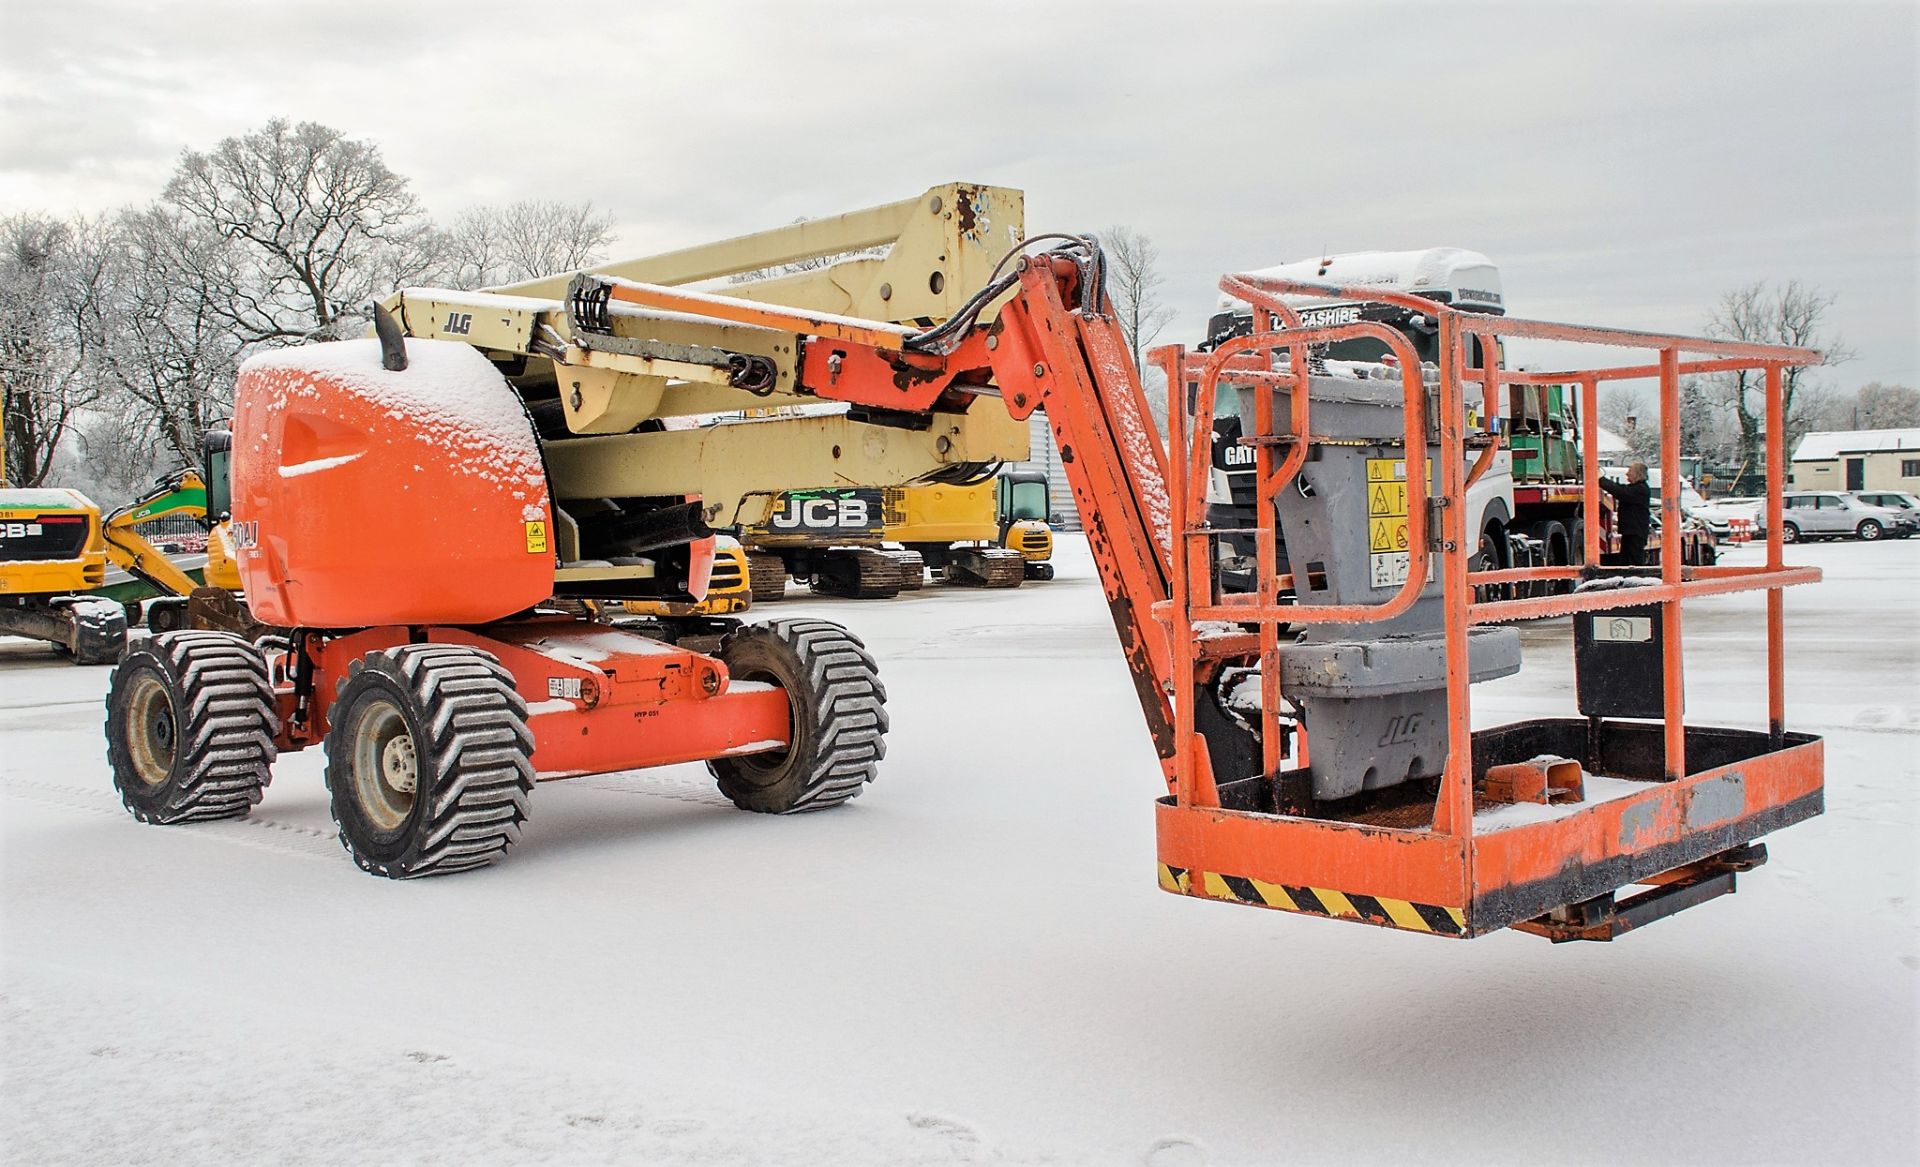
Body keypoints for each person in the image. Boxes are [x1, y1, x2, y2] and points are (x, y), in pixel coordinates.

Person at [1600, 461, 1652, 566]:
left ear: (1638, 474)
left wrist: (1601, 480)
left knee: (1632, 561)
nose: (1627, 474)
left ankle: (1634, 579)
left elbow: (1620, 492)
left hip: (1635, 532)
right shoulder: (1638, 488)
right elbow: (1621, 489)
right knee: (1627, 560)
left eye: (1630, 471)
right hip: (1632, 531)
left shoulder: (1640, 489)